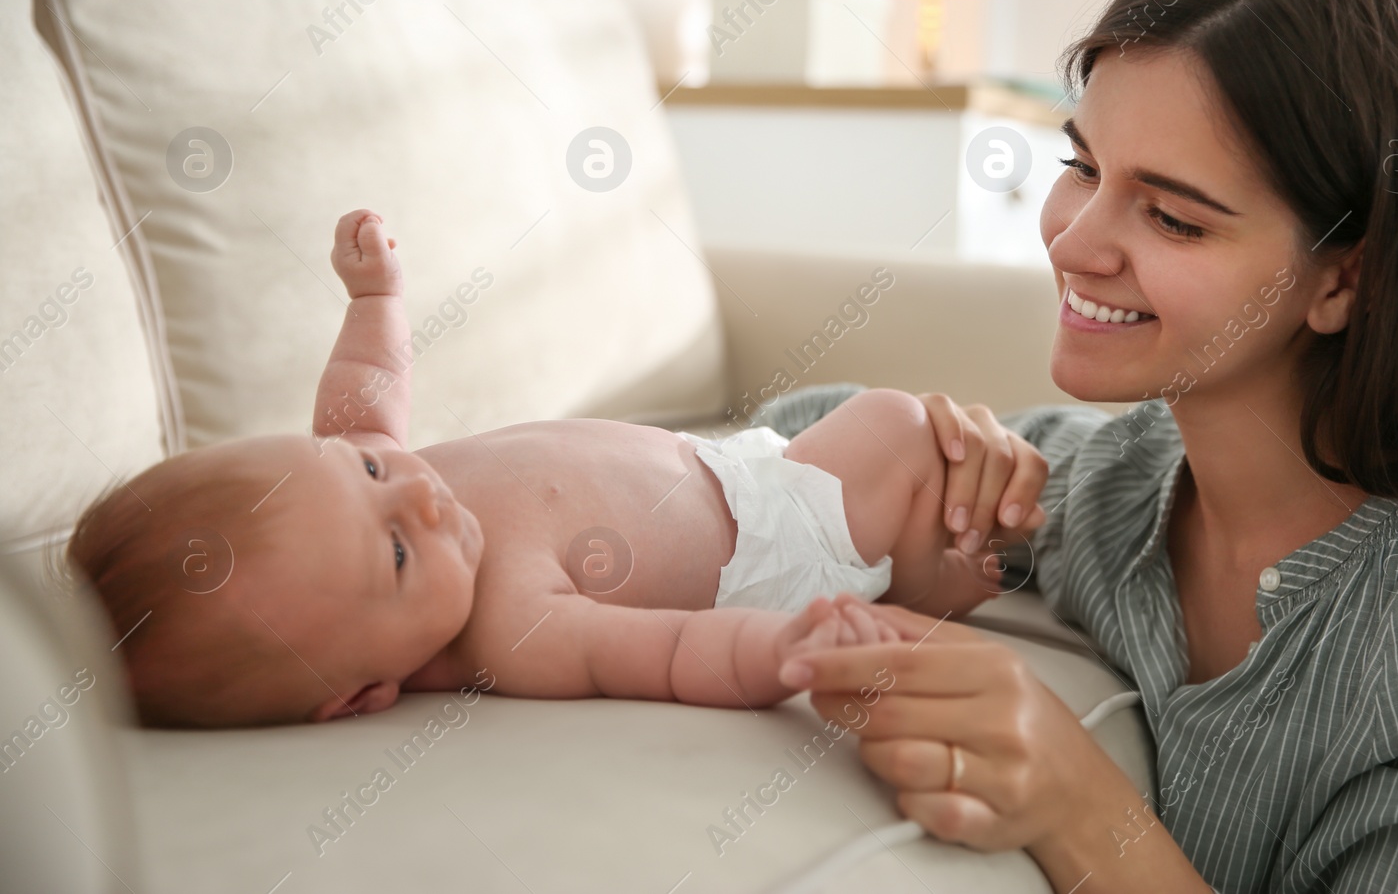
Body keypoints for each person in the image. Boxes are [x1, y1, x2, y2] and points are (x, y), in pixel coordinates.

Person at [769, 0, 1398, 892]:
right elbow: (756, 450)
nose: (1075, 241)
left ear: (1345, 278)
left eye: (1170, 216)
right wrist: (915, 450)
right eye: (1081, 165)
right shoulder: (1120, 482)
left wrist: (1080, 807)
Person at [63, 209, 1050, 728]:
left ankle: (943, 557)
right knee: (888, 424)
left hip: (722, 461)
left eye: (363, 472)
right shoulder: (514, 627)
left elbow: (364, 393)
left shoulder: (377, 469)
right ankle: (928, 575)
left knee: (885, 428)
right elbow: (666, 654)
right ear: (364, 693)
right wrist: (782, 646)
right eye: (399, 552)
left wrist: (375, 293)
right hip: (776, 536)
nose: (414, 486)